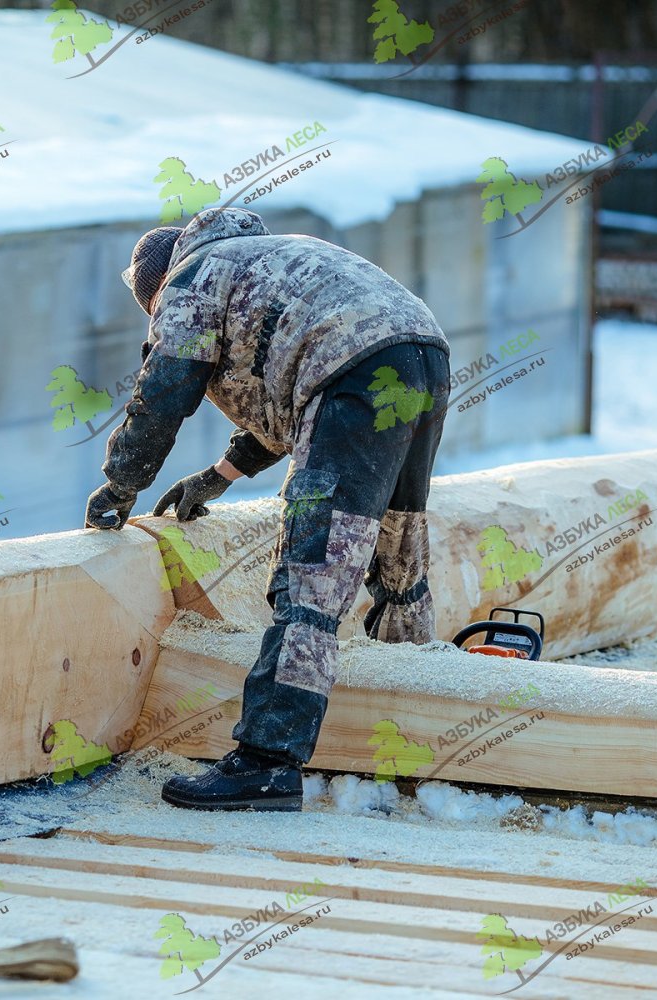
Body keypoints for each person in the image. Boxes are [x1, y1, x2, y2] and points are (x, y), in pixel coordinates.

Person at [83, 207, 449, 811]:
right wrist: (220, 475)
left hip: (353, 373)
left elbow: (164, 391)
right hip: (420, 356)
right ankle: (419, 721)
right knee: (396, 546)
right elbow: (288, 390)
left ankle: (267, 762)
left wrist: (122, 486)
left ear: (155, 290)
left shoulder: (188, 280)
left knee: (311, 576)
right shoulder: (266, 260)